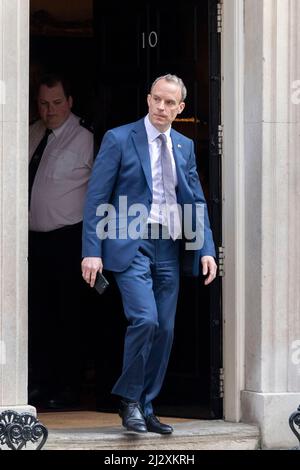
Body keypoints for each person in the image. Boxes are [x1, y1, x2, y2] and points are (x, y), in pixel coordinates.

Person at [81, 74, 217, 434]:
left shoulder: (185, 146)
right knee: (146, 320)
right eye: (157, 99)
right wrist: (91, 251)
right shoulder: (120, 138)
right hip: (131, 242)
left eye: (170, 103)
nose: (161, 107)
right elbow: (97, 197)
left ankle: (146, 403)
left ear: (180, 108)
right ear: (147, 99)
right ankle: (129, 400)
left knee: (166, 330)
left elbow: (196, 200)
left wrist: (205, 247)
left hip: (169, 245)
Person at [28, 73, 94, 408]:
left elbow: (102, 191)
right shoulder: (32, 133)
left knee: (66, 317)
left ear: (69, 102)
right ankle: (39, 384)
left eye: (56, 103)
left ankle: (67, 387)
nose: (49, 110)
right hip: (31, 243)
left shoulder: (85, 137)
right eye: (43, 103)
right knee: (36, 316)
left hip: (67, 241)